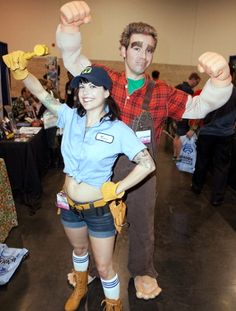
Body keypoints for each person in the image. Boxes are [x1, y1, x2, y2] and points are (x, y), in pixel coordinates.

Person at [55, 1, 233, 300]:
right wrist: (68, 29)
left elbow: (200, 106)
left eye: (149, 49)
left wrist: (221, 81)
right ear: (123, 49)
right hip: (100, 168)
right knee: (97, 217)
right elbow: (72, 59)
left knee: (142, 222)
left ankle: (143, 271)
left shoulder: (163, 92)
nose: (143, 55)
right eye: (136, 47)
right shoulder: (103, 78)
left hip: (141, 169)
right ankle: (96, 268)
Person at [3, 50, 157, 310]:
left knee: (106, 267)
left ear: (107, 92)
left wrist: (118, 188)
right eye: (81, 86)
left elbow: (147, 163)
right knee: (78, 252)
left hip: (99, 211)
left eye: (93, 86)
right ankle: (82, 287)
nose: (85, 91)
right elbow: (41, 94)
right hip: (68, 206)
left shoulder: (118, 129)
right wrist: (22, 73)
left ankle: (113, 303)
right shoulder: (70, 116)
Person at [191, 87, 236, 206]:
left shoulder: (210, 91)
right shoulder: (234, 92)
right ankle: (217, 198)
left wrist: (194, 127)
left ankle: (197, 186)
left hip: (207, 132)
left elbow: (201, 111)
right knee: (221, 166)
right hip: (226, 134)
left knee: (202, 160)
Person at [173, 73, 201, 160]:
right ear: (192, 79)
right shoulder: (189, 90)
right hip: (184, 115)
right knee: (182, 137)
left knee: (177, 136)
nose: (196, 85)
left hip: (176, 113)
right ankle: (179, 157)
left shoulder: (178, 86)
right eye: (196, 82)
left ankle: (175, 154)